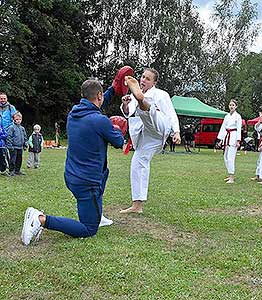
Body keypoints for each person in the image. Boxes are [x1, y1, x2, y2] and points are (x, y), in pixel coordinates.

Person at [20, 79, 125, 246]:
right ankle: (40, 219)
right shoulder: (101, 121)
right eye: (101, 95)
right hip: (87, 181)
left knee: (104, 176)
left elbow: (95, 105)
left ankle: (96, 214)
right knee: (89, 228)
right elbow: (119, 143)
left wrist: (112, 89)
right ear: (98, 95)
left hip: (72, 175)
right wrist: (119, 130)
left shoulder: (74, 114)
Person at [119, 68, 181, 213]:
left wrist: (176, 132)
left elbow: (171, 114)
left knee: (151, 112)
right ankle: (137, 205)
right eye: (142, 77)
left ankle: (144, 103)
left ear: (154, 82)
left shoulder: (161, 94)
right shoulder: (133, 95)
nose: (143, 80)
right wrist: (127, 104)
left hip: (160, 127)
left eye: (147, 78)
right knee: (137, 163)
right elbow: (128, 113)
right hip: (146, 136)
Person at [217, 99, 242, 184]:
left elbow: (239, 129)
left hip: (233, 137)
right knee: (225, 157)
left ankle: (232, 177)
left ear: (236, 107)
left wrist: (238, 140)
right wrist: (221, 139)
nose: (231, 106)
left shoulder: (238, 116)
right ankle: (229, 174)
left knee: (231, 158)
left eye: (233, 105)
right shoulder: (227, 116)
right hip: (227, 137)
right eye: (230, 105)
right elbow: (223, 128)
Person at [7, 112, 27, 176]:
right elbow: (9, 137)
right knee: (13, 160)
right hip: (13, 147)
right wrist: (10, 146)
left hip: (20, 147)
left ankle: (17, 170)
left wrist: (25, 145)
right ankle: (11, 171)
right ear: (14, 120)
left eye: (20, 119)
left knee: (19, 159)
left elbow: (25, 137)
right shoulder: (11, 127)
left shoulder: (22, 128)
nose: (18, 121)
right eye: (17, 119)